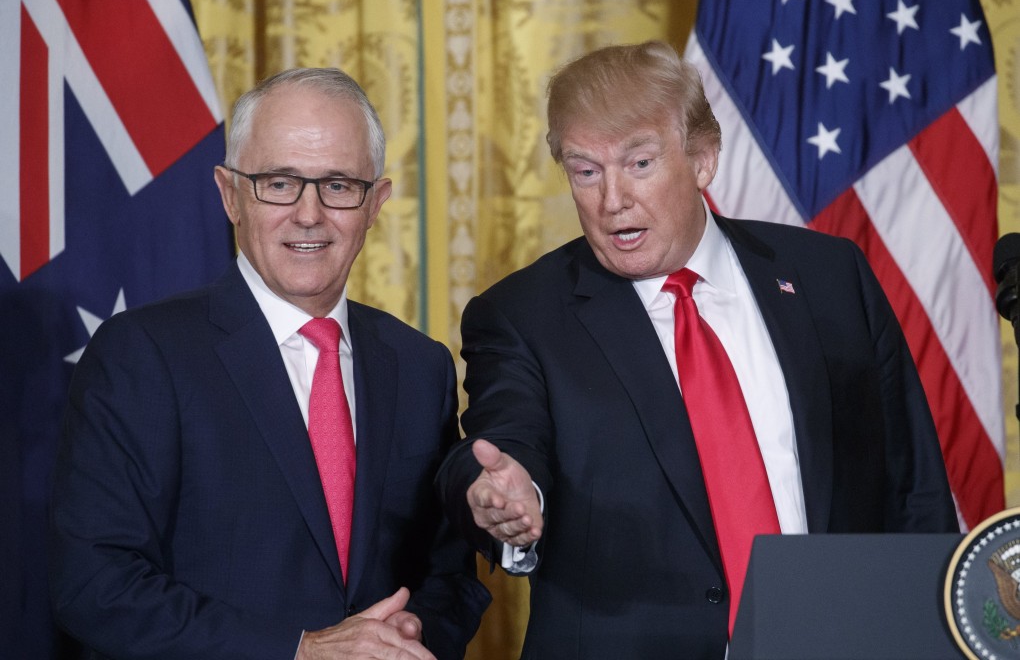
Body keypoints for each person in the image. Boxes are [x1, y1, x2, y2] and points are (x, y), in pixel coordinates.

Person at [435, 41, 957, 659]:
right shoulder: (522, 316)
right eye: (586, 171)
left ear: (703, 159)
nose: (612, 200)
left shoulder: (828, 277)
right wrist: (506, 499)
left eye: (640, 163)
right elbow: (506, 445)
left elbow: (913, 486)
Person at [50, 67, 489, 660]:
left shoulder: (420, 366)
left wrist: (408, 637)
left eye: (338, 185)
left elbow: (450, 573)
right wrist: (300, 650)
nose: (309, 213)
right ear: (230, 194)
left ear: (376, 203)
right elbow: (94, 584)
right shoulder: (141, 355)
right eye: (279, 183)